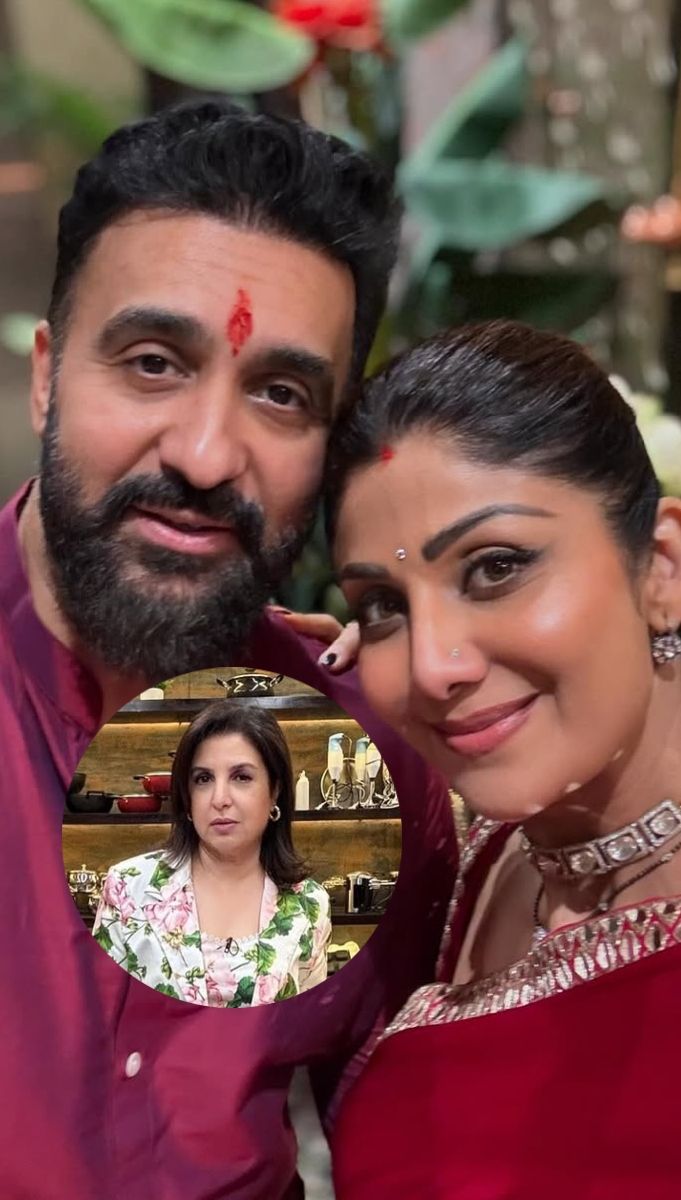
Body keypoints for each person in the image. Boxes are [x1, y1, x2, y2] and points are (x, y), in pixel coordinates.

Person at [0, 99, 456, 1198]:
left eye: (281, 395)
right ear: (48, 375)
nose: (207, 455)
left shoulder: (358, 763)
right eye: (154, 362)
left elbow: (418, 1148)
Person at [326, 320, 681, 1199]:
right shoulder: (484, 846)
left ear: (661, 570)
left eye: (494, 568)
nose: (431, 667)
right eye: (382, 605)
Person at [94, 702, 331, 1004]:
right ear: (187, 798)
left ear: (275, 791)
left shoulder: (310, 905)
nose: (220, 799)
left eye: (241, 777)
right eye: (203, 779)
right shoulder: (128, 888)